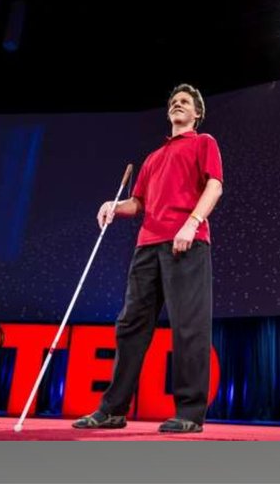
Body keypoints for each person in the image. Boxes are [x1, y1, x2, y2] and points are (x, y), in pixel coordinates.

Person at [72, 84, 224, 434]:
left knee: (188, 326)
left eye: (184, 102)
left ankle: (190, 413)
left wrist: (192, 223)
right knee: (130, 326)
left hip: (186, 242)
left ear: (197, 113)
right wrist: (114, 206)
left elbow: (214, 185)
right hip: (147, 247)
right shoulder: (153, 158)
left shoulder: (204, 142)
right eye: (173, 101)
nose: (177, 104)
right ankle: (112, 410)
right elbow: (138, 203)